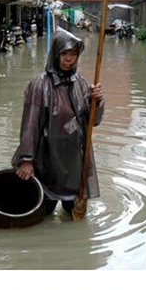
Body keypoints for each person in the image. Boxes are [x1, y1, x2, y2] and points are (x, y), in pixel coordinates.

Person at [13, 28, 105, 218]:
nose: (69, 59)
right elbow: (30, 125)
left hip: (75, 162)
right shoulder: (39, 85)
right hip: (47, 161)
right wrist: (26, 160)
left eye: (73, 54)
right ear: (55, 54)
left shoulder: (81, 83)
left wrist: (97, 102)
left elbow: (93, 122)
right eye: (64, 54)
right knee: (41, 214)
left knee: (75, 216)